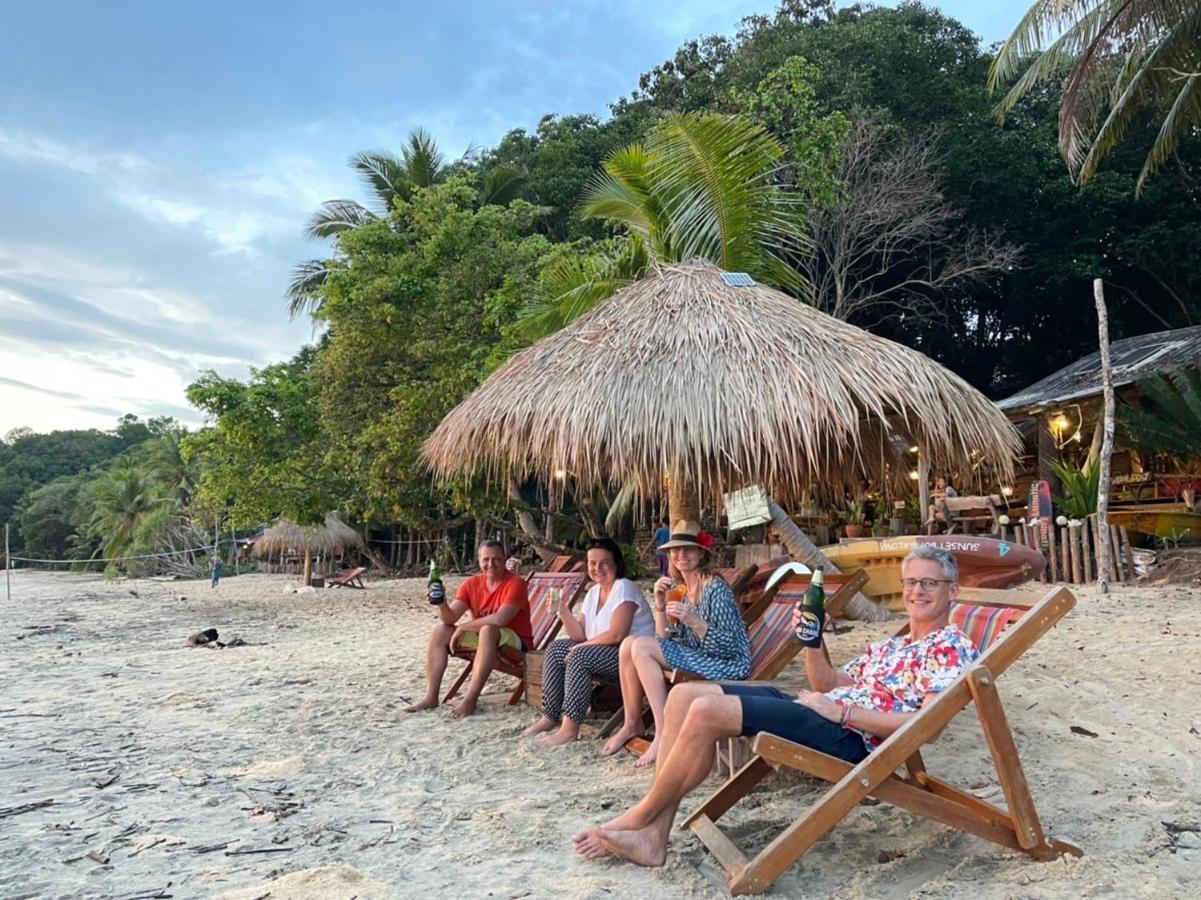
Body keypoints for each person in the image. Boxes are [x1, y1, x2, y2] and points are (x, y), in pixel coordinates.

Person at [573, 543, 978, 868]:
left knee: (706, 712)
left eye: (929, 584)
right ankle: (654, 836)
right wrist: (813, 641)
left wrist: (844, 714)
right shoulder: (895, 642)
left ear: (951, 591)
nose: (915, 592)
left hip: (851, 736)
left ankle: (639, 819)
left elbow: (930, 725)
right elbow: (830, 683)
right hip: (821, 708)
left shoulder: (951, 645)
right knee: (682, 696)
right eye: (910, 583)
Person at [600, 520, 751, 768]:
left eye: (688, 549)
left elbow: (731, 647)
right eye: (675, 550)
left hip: (727, 664)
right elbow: (664, 637)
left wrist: (694, 620)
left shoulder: (715, 589)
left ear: (701, 553)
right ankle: (631, 722)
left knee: (641, 647)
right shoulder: (680, 588)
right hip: (699, 655)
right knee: (629, 644)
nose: (681, 556)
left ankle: (663, 734)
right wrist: (660, 603)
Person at [521, 538, 655, 748]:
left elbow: (617, 634)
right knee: (556, 649)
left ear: (616, 564)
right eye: (592, 563)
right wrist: (562, 611)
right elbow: (579, 636)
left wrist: (581, 647)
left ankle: (569, 730)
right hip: (601, 655)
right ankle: (549, 716)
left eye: (605, 563)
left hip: (629, 659)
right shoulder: (593, 592)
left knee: (579, 655)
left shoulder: (624, 587)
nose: (597, 568)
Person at [404, 540, 532, 719]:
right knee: (440, 630)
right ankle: (431, 697)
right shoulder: (472, 584)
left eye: (496, 559)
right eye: (486, 559)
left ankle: (471, 699)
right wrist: (441, 604)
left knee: (488, 629)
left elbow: (500, 619)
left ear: (504, 560)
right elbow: (449, 618)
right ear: (479, 561)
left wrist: (464, 627)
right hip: (487, 639)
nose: (491, 564)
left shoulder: (516, 584)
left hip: (517, 643)